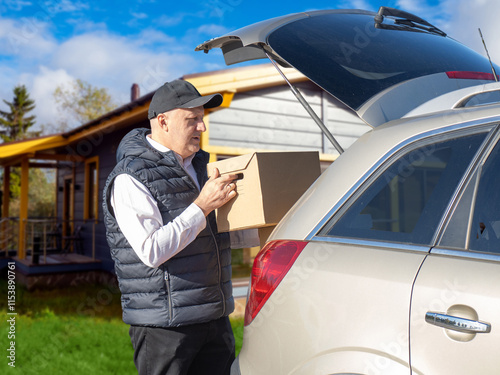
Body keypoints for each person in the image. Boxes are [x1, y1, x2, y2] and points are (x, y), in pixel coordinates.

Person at [102, 80, 255, 374]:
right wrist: (202, 205)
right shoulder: (130, 177)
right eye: (192, 119)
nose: (202, 128)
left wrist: (265, 227)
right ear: (163, 122)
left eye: (202, 118)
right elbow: (152, 250)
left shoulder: (203, 167)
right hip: (166, 328)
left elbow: (212, 234)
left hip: (214, 317)